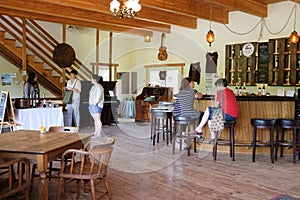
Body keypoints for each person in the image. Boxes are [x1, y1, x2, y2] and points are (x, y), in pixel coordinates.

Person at [193, 78, 238, 143]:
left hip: (228, 115)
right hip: (233, 116)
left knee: (209, 109)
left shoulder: (221, 92)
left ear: (220, 85)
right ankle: (212, 137)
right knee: (210, 117)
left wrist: (216, 95)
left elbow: (216, 106)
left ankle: (199, 128)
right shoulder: (230, 91)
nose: (216, 88)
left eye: (217, 86)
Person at [89, 74, 104, 139]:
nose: (91, 80)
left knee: (98, 119)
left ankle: (98, 134)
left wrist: (96, 102)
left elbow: (99, 95)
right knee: (95, 119)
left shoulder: (99, 87)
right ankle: (96, 131)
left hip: (96, 105)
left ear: (94, 79)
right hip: (92, 104)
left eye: (91, 78)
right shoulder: (93, 87)